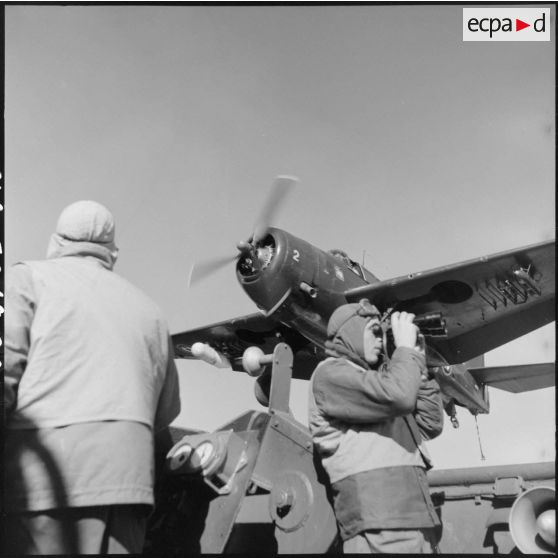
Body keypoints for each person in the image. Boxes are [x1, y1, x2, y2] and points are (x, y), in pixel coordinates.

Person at [2, 200, 181, 554]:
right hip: (127, 493)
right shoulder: (153, 314)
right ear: (112, 252)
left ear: (57, 241)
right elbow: (164, 415)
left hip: (43, 482)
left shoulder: (25, 278)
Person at [308, 299, 444, 554]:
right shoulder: (330, 375)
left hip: (414, 518)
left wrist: (420, 368)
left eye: (384, 333)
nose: (382, 340)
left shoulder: (379, 384)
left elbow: (430, 423)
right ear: (350, 332)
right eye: (374, 331)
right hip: (380, 522)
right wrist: (405, 352)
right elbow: (401, 397)